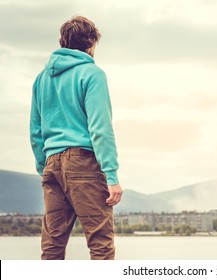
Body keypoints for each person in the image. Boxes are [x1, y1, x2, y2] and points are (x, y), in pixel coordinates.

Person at [30, 15, 123, 260]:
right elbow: (100, 128)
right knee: (101, 244)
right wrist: (111, 175)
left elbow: (36, 131)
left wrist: (45, 167)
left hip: (51, 165)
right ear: (91, 42)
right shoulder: (92, 74)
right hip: (83, 163)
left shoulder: (41, 79)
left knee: (51, 247)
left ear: (63, 42)